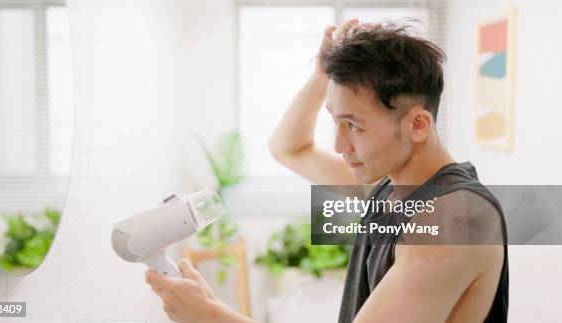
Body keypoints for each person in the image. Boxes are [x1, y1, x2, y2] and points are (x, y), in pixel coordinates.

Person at [145, 19, 509, 323]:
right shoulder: (391, 185)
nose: (339, 145)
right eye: (334, 121)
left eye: (354, 126)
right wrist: (322, 76)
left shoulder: (454, 221)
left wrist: (209, 314)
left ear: (417, 124)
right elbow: (289, 148)